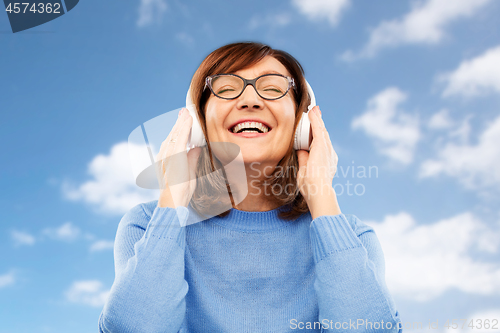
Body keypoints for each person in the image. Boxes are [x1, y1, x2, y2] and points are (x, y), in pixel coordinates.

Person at [98, 42, 403, 333]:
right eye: (227, 89)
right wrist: (174, 197)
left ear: (301, 125)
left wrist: (321, 192)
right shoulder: (145, 226)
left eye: (272, 89)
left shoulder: (353, 239)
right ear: (198, 125)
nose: (250, 100)